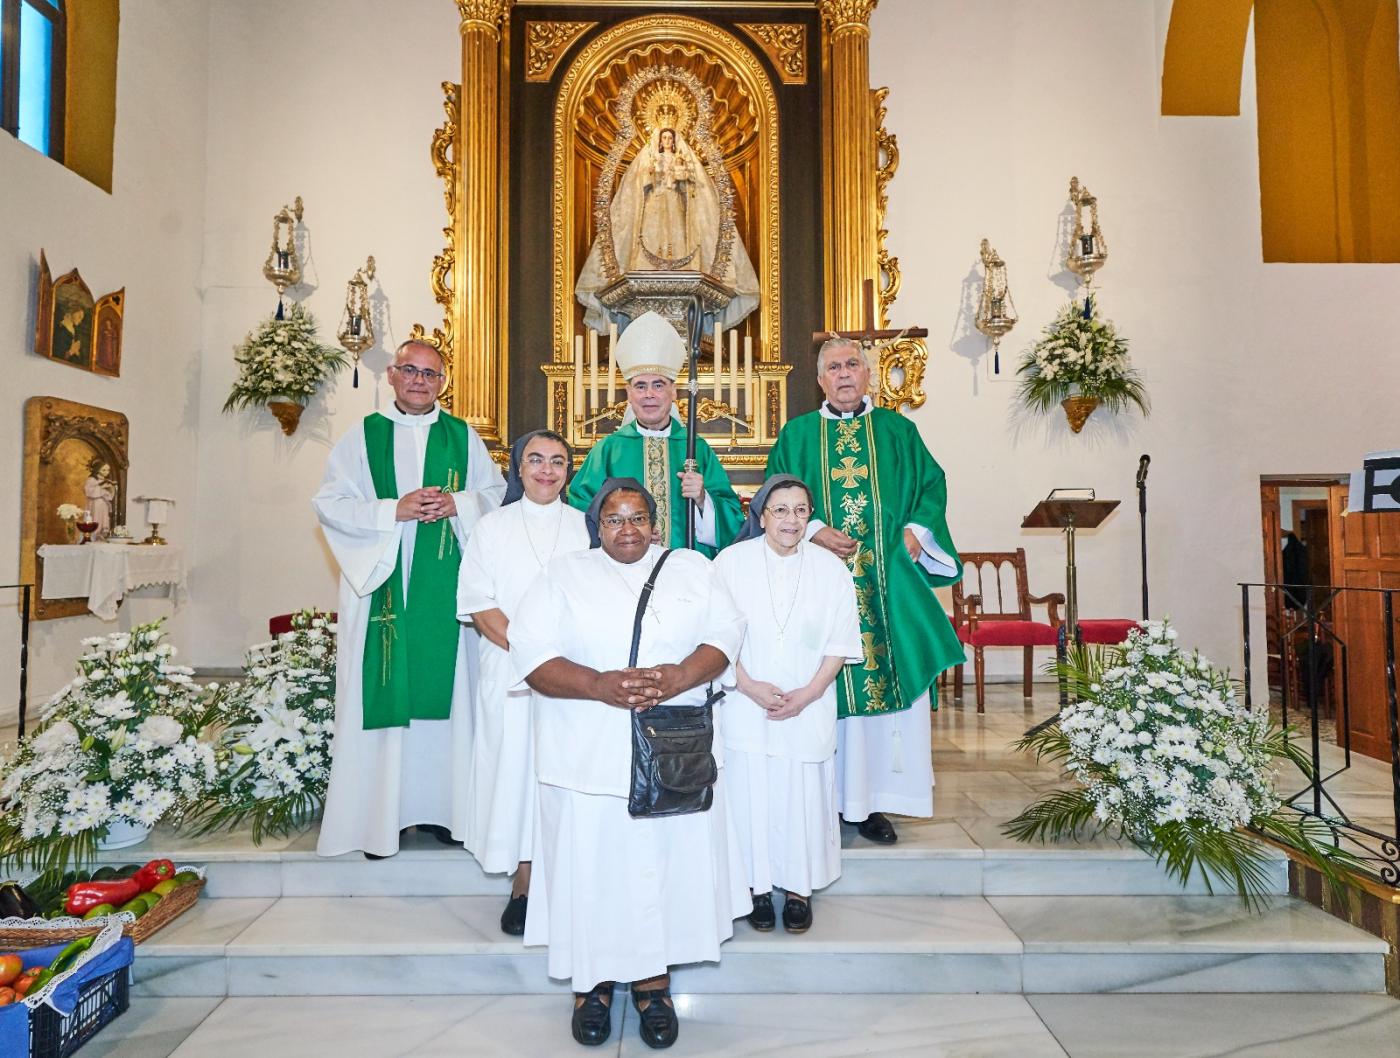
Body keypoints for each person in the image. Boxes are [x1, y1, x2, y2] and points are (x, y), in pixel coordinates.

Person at [510, 478, 748, 1050]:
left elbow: (727, 632)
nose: (627, 530)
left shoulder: (691, 567)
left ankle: (653, 986)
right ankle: (589, 989)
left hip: (668, 753)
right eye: (614, 519)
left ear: (654, 521)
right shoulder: (564, 574)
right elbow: (532, 652)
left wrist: (678, 677)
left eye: (638, 517)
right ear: (597, 526)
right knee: (589, 872)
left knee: (658, 871)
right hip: (584, 754)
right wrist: (598, 684)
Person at [312, 339, 505, 858]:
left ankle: (447, 813)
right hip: (385, 586)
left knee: (452, 700)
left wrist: (458, 504)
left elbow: (495, 497)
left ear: (443, 382)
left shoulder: (463, 437)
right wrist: (391, 510)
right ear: (393, 376)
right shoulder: (362, 437)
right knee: (385, 690)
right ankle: (381, 819)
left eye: (431, 374)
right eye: (410, 371)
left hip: (447, 596)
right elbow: (329, 503)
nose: (420, 381)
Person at [766, 337, 962, 845]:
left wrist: (916, 532)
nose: (845, 373)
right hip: (820, 583)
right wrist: (813, 530)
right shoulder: (798, 434)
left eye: (853, 364)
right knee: (824, 687)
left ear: (868, 374)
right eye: (834, 367)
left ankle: (873, 803)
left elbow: (931, 486)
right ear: (820, 379)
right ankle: (827, 801)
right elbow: (774, 494)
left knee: (889, 691)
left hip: (888, 583)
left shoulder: (898, 430)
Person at [714, 474, 861, 933]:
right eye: (781, 510)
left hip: (808, 703)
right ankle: (755, 889)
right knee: (749, 792)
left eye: (801, 511)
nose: (791, 520)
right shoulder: (729, 563)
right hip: (745, 702)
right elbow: (713, 637)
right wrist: (747, 685)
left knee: (802, 794)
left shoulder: (830, 569)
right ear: (762, 515)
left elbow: (840, 640)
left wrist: (811, 693)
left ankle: (798, 890)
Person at [457, 430, 590, 935]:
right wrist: (535, 657)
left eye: (557, 461)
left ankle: (570, 881)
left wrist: (561, 665)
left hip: (573, 677)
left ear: (568, 471)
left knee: (564, 776)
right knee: (516, 777)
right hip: (509, 669)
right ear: (517, 468)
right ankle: (524, 883)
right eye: (535, 460)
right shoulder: (491, 528)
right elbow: (480, 604)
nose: (546, 470)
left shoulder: (585, 528)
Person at [568, 310, 743, 558]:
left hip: (686, 568)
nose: (649, 394)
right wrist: (625, 533)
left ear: (673, 392)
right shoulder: (608, 450)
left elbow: (733, 518)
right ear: (629, 394)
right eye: (640, 386)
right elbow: (580, 510)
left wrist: (704, 500)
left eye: (658, 385)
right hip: (623, 571)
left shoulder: (696, 448)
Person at [575, 121, 758, 333]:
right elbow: (642, 184)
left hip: (674, 201)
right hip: (655, 202)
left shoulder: (681, 159)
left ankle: (679, 265)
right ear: (659, 141)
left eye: (670, 138)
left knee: (676, 229)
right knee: (653, 230)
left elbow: (691, 187)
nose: (667, 141)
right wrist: (652, 173)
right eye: (664, 138)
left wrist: (681, 174)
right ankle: (649, 265)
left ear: (675, 140)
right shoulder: (650, 159)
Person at [84, 461, 116, 540]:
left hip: (104, 503)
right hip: (95, 503)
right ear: (97, 470)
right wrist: (102, 488)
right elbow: (88, 491)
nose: (106, 472)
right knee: (96, 518)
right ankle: (94, 535)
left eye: (108, 470)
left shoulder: (106, 480)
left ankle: (103, 534)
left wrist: (110, 488)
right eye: (103, 470)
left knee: (104, 519)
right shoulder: (91, 479)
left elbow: (110, 495)